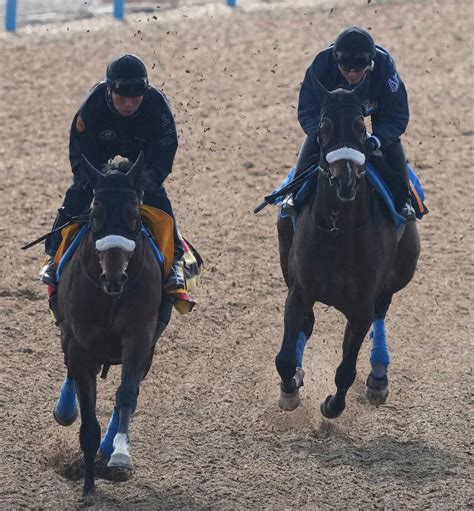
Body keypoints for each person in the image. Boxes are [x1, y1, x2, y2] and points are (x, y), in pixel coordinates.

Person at [39, 53, 185, 289]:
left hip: (143, 151)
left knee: (156, 194)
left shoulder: (158, 107)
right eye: (121, 97)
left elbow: (165, 150)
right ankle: (53, 256)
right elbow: (80, 152)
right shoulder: (91, 106)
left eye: (135, 98)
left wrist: (147, 182)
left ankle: (175, 261)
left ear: (145, 92)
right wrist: (94, 180)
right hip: (99, 149)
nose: (128, 103)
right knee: (79, 191)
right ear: (109, 90)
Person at [284, 26, 415, 220]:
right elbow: (308, 110)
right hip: (330, 117)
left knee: (393, 145)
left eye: (359, 70)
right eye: (345, 70)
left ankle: (403, 201)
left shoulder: (385, 69)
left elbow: (396, 115)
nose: (352, 75)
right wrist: (320, 134)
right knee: (312, 141)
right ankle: (292, 195)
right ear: (336, 62)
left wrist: (377, 140)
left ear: (370, 64)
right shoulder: (321, 66)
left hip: (377, 113)